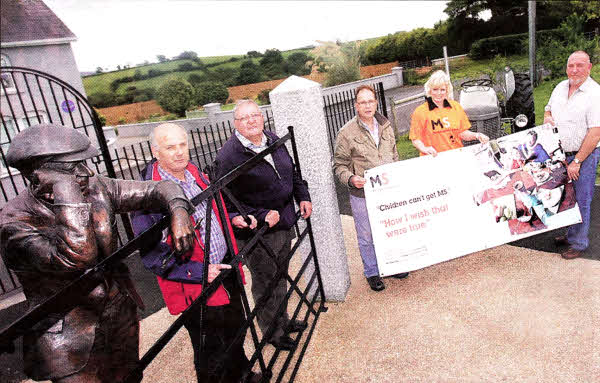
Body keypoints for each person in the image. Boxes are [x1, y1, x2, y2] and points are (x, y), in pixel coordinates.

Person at [0, 124, 195, 383]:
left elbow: (158, 188)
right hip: (68, 338)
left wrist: (179, 212)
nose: (87, 172)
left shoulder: (95, 187)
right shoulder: (15, 223)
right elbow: (78, 256)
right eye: (73, 167)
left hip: (118, 317)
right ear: (40, 175)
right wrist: (66, 190)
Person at [131, 123, 260, 383]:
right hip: (195, 281)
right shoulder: (147, 195)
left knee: (236, 325)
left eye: (182, 145)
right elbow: (152, 255)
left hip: (225, 266)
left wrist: (232, 219)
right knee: (209, 347)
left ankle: (242, 374)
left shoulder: (194, 172)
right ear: (156, 151)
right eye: (170, 147)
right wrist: (199, 271)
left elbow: (213, 210)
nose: (179, 152)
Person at [214, 100, 312, 351]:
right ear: (235, 124)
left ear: (262, 117)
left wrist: (302, 195)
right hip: (258, 233)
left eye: (255, 115)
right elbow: (224, 201)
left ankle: (284, 321)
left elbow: (291, 171)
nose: (251, 121)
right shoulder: (228, 156)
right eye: (244, 118)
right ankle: (272, 332)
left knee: (279, 277)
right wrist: (260, 213)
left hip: (283, 222)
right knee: (265, 282)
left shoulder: (271, 138)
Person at [333, 85, 409, 292]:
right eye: (362, 102)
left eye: (370, 101)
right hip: (363, 193)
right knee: (366, 235)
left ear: (376, 103)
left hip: (388, 190)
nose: (367, 105)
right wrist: (351, 179)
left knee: (389, 228)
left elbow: (394, 154)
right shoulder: (346, 133)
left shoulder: (385, 125)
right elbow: (339, 165)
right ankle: (372, 272)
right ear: (356, 106)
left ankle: (391, 264)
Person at [544, 50, 600, 259]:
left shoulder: (595, 93)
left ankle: (579, 243)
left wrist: (577, 161)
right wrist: (548, 117)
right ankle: (570, 234)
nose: (574, 70)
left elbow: (596, 131)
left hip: (583, 156)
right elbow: (548, 109)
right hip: (560, 154)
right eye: (571, 66)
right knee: (568, 197)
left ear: (589, 67)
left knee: (582, 199)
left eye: (579, 65)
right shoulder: (560, 87)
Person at [410, 70, 489, 157]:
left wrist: (477, 135)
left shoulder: (456, 107)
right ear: (430, 90)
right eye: (435, 89)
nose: (438, 93)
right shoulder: (420, 112)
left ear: (447, 91)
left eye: (442, 90)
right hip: (432, 158)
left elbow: (462, 133)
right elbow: (415, 139)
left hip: (456, 155)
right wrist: (425, 148)